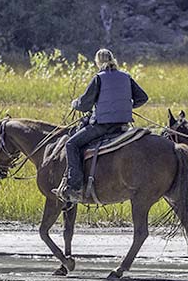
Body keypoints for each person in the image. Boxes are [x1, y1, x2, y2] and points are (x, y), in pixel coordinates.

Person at [53, 48, 149, 202]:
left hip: (102, 126)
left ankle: (75, 187)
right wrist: (127, 106)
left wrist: (74, 103)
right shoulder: (126, 77)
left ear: (98, 62)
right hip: (123, 126)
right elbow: (143, 98)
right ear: (113, 59)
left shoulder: (99, 78)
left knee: (71, 144)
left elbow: (84, 105)